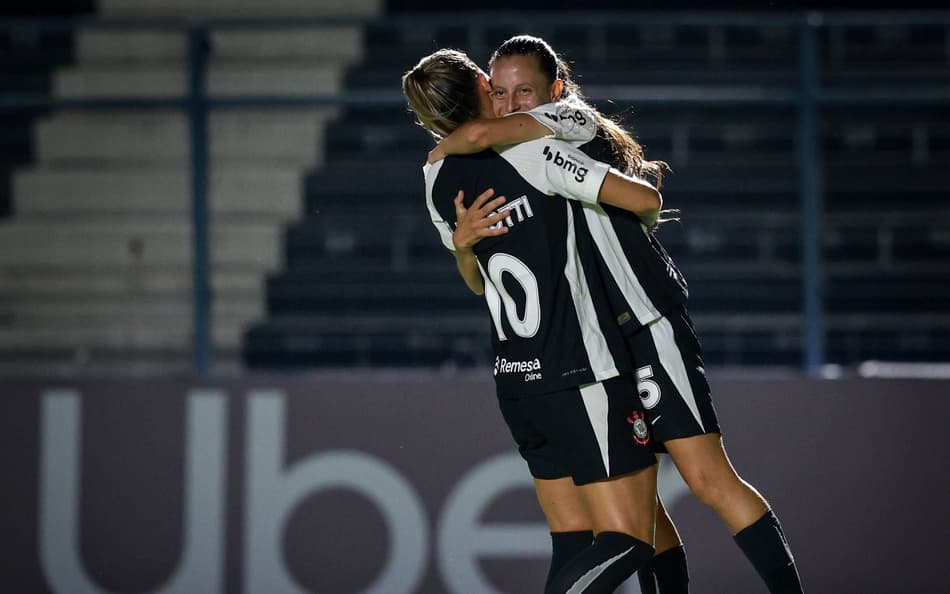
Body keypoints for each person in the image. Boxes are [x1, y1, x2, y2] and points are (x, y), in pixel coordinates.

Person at [435, 34, 805, 594]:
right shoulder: (515, 152)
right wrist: (464, 246)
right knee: (642, 505)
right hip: (596, 344)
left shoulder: (568, 123)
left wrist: (440, 145)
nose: (511, 105)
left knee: (706, 478)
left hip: (645, 323)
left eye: (525, 91)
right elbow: (484, 280)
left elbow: (642, 200)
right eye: (501, 93)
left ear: (557, 90)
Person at [403, 48, 666, 594]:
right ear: (483, 82)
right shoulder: (533, 149)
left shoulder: (435, 179)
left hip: (518, 382)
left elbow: (478, 283)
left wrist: (462, 247)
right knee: (631, 538)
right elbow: (643, 198)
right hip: (579, 370)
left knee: (572, 540)